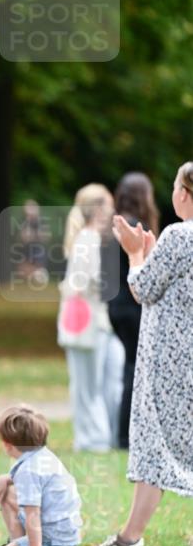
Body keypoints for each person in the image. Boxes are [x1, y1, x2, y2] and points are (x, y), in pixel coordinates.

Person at [94, 162, 193, 546]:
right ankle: (130, 536)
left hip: (170, 360)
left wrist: (135, 255)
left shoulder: (179, 235)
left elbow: (141, 288)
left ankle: (130, 537)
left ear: (183, 193)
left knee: (155, 441)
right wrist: (150, 254)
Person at [57, 183, 124, 451]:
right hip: (92, 320)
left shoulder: (87, 238)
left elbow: (83, 283)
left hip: (90, 321)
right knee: (93, 385)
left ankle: (94, 438)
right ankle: (96, 437)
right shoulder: (90, 238)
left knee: (88, 385)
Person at [0, 404, 82, 546]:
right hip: (64, 532)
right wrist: (5, 479)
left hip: (52, 538)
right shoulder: (43, 455)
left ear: (7, 444)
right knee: (8, 492)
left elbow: (33, 516)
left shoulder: (28, 471)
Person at [102, 173, 159, 449]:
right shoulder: (136, 227)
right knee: (136, 370)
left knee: (130, 367)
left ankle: (124, 433)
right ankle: (126, 435)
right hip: (134, 305)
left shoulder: (114, 225)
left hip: (116, 307)